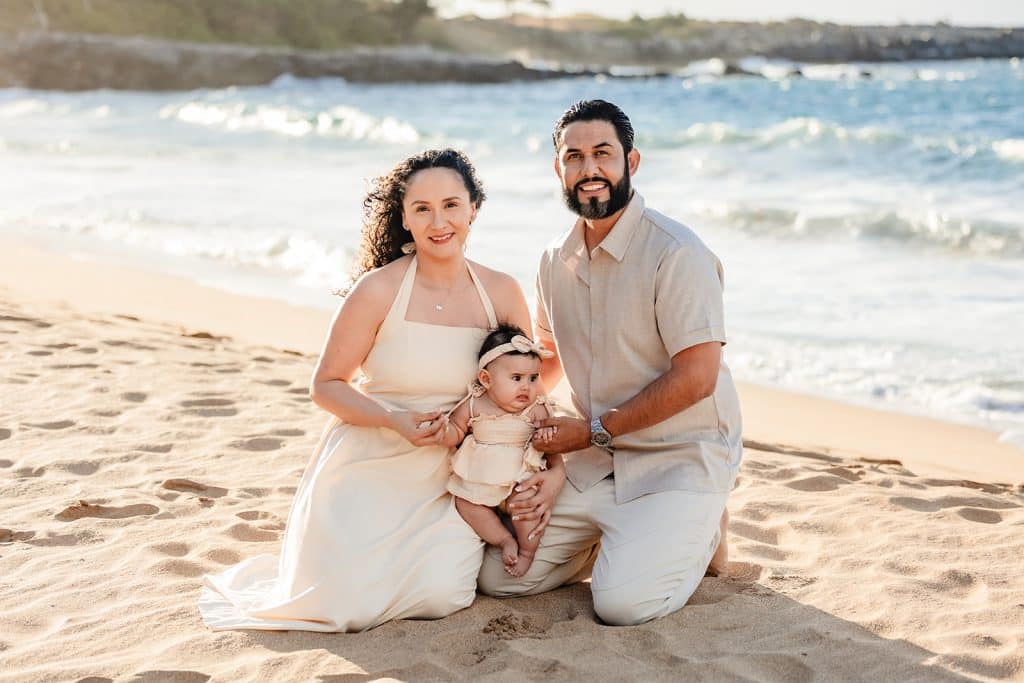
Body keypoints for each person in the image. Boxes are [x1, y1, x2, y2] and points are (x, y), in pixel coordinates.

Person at [199, 148, 535, 632]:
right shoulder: (378, 289)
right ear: (404, 218)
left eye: (451, 205)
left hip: (454, 479)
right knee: (345, 603)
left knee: (443, 593)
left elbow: (524, 387)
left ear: (473, 209)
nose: (439, 221)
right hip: (369, 460)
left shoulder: (501, 291)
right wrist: (393, 419)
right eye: (422, 208)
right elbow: (326, 385)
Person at [478, 100, 743, 626]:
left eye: (603, 153)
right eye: (574, 157)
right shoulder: (554, 259)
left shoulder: (677, 253)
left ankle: (701, 522)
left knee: (622, 604)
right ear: (559, 169)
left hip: (679, 456)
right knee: (500, 578)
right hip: (596, 463)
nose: (589, 169)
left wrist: (591, 431)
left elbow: (697, 378)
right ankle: (628, 536)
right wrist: (502, 404)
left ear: (632, 162)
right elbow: (548, 360)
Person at [442, 322, 560, 578]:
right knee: (467, 503)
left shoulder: (536, 409)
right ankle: (504, 539)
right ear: (486, 379)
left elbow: (551, 437)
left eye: (532, 378)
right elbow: (456, 430)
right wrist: (443, 432)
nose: (526, 387)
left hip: (520, 482)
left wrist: (547, 435)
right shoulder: (474, 404)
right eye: (516, 379)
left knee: (527, 507)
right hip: (481, 479)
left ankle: (527, 551)